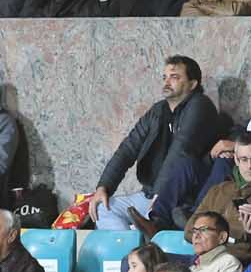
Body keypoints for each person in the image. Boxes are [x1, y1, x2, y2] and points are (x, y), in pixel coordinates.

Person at [88, 56, 224, 231]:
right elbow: (128, 148)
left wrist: (160, 198)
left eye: (174, 77)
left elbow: (181, 150)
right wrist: (104, 187)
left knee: (146, 222)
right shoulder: (158, 110)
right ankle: (135, 253)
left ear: (192, 84)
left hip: (178, 201)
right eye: (164, 77)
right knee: (103, 208)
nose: (167, 82)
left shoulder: (200, 106)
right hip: (150, 195)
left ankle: (143, 250)